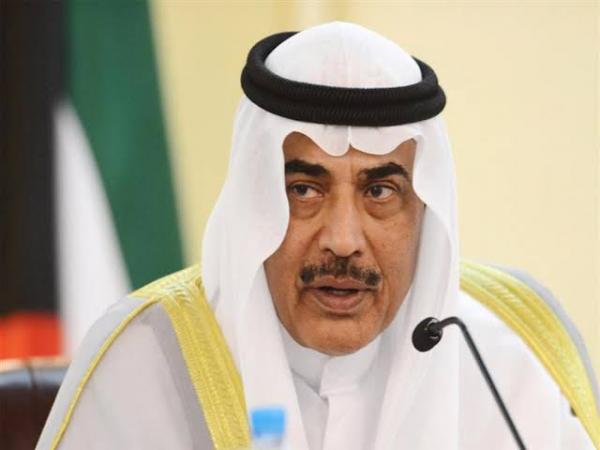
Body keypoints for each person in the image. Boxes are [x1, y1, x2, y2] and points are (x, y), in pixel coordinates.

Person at [37, 22, 598, 450]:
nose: (344, 240)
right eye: (304, 189)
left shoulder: (511, 353)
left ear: (425, 209)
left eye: (380, 191)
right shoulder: (143, 363)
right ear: (254, 201)